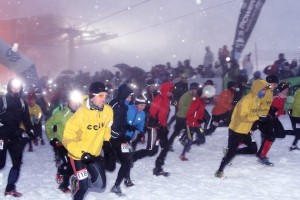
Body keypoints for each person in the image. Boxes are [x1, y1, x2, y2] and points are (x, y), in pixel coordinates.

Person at [62, 82, 113, 200]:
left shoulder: (108, 111)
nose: (104, 99)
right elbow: (67, 139)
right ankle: (79, 184)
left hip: (94, 154)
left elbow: (107, 127)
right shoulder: (80, 115)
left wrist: (106, 140)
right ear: (91, 96)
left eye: (105, 95)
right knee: (83, 187)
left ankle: (79, 182)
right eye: (100, 96)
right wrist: (81, 154)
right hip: (78, 156)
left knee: (100, 185)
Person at [215, 79, 268, 179]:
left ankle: (234, 152)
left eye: (265, 90)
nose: (264, 92)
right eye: (263, 90)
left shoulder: (257, 99)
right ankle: (219, 171)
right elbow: (243, 117)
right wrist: (258, 118)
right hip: (236, 130)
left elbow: (253, 114)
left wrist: (256, 122)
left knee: (253, 149)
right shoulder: (246, 100)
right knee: (231, 153)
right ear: (256, 89)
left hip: (246, 130)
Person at [0, 78, 35, 197]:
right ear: (9, 87)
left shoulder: (22, 102)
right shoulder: (2, 100)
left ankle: (10, 187)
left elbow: (26, 119)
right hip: (1, 136)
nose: (15, 89)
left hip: (15, 136)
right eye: (13, 87)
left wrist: (30, 130)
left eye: (18, 87)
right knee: (1, 163)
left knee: (17, 163)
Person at [45, 90, 82, 193]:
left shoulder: (81, 114)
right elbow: (48, 124)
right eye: (73, 102)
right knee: (68, 164)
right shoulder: (61, 114)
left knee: (79, 164)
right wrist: (53, 138)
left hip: (75, 145)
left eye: (77, 102)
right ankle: (63, 185)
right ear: (69, 102)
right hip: (62, 144)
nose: (75, 104)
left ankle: (63, 171)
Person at [109, 84, 134, 196]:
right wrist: (111, 131)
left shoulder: (124, 105)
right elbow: (105, 118)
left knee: (127, 160)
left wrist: (126, 127)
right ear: (124, 94)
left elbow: (121, 120)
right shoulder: (114, 104)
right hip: (112, 137)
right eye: (129, 96)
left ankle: (117, 185)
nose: (130, 98)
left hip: (121, 137)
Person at [150, 81, 175, 176]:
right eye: (170, 90)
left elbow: (164, 114)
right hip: (157, 128)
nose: (171, 92)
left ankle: (158, 167)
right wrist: (158, 124)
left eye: (172, 90)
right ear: (166, 90)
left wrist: (164, 124)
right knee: (152, 150)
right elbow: (153, 112)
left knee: (165, 147)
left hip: (162, 127)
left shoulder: (167, 99)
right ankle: (132, 157)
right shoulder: (159, 98)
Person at [256, 75, 279, 166]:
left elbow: (265, 104)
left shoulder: (270, 92)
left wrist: (270, 111)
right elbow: (258, 97)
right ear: (271, 83)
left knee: (270, 136)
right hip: (258, 117)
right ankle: (230, 150)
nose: (276, 86)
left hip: (264, 116)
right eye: (275, 84)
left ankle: (262, 155)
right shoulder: (264, 89)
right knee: (246, 134)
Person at [168, 82, 199, 151]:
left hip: (188, 117)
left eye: (196, 89)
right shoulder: (186, 96)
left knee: (190, 130)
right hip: (181, 117)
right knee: (177, 132)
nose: (195, 91)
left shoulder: (195, 96)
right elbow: (181, 106)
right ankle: (169, 144)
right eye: (193, 89)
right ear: (190, 89)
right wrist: (191, 108)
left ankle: (184, 140)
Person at [179, 88, 206, 161]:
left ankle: (187, 143)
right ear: (201, 94)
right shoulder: (195, 102)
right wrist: (195, 120)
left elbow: (200, 113)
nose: (205, 95)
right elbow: (189, 114)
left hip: (198, 125)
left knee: (202, 139)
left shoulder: (202, 102)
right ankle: (182, 155)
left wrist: (202, 119)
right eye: (204, 93)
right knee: (190, 140)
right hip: (190, 124)